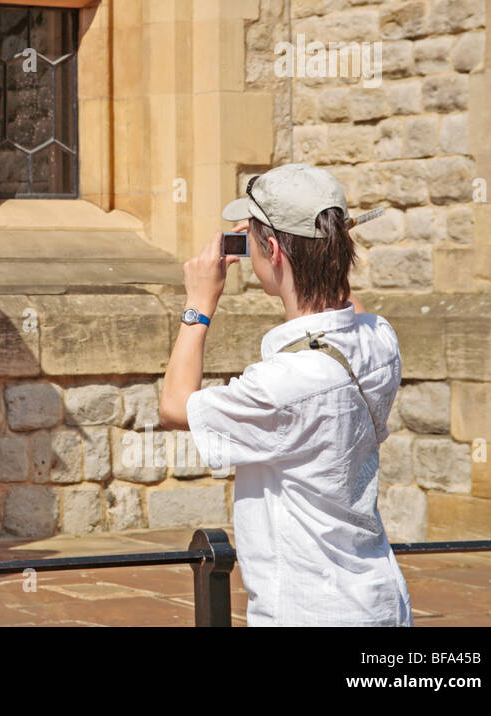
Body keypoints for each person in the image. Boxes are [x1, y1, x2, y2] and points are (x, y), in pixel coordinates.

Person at [159, 163, 412, 626]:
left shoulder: (282, 385)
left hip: (308, 610)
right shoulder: (380, 339)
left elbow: (175, 406)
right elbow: (346, 308)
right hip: (380, 601)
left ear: (272, 249)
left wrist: (198, 303)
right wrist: (302, 248)